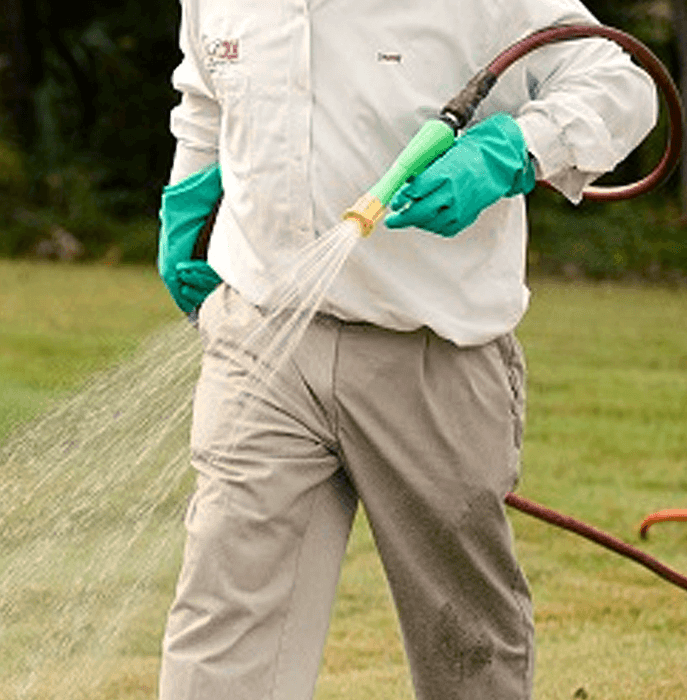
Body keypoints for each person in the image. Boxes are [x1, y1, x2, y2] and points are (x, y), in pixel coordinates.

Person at [154, 1, 657, 699]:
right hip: (262, 339)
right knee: (223, 614)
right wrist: (189, 189)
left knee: (463, 640)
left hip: (431, 348)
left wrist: (514, 147)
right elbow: (207, 96)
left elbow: (620, 85)